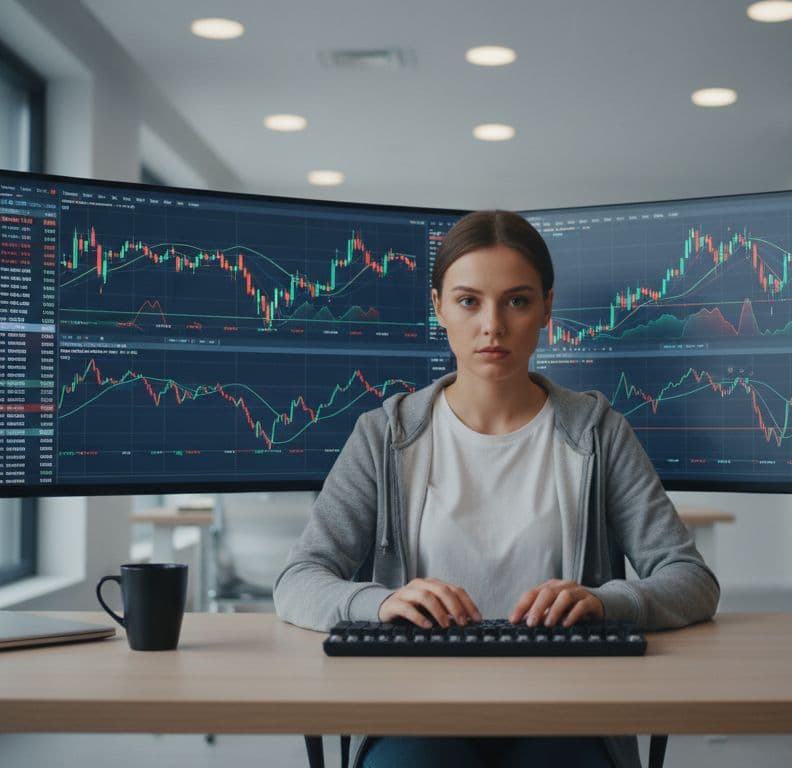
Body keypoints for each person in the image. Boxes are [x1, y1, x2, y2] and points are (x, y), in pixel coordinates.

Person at [274, 210, 721, 768]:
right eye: (468, 301)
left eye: (516, 300)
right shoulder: (384, 434)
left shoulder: (598, 432)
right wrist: (381, 602)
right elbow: (297, 580)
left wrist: (606, 604)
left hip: (567, 708)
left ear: (546, 309)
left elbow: (692, 581)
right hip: (415, 704)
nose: (493, 326)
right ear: (438, 307)